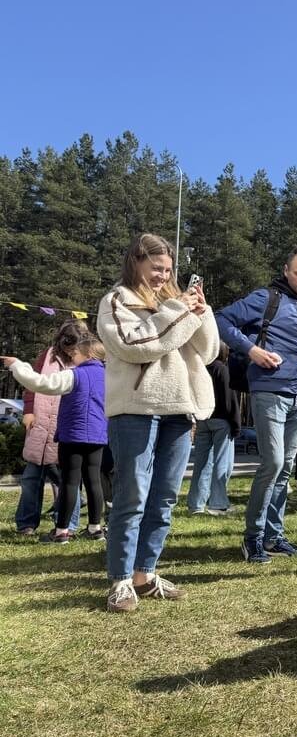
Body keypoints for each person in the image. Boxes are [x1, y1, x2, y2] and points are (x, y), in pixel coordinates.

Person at [97, 232, 219, 612]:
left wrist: (201, 312)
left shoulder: (175, 301)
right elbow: (135, 346)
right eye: (155, 268)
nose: (163, 276)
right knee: (131, 495)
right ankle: (119, 580)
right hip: (135, 407)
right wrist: (176, 312)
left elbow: (209, 351)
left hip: (180, 408)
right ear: (136, 262)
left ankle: (144, 574)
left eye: (168, 270)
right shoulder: (117, 301)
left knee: (164, 497)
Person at [217, 245, 297, 563]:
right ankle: (252, 538)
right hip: (269, 391)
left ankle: (274, 537)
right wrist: (251, 350)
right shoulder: (266, 298)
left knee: (286, 468)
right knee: (273, 464)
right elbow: (220, 319)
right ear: (285, 270)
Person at [3, 333, 107, 544]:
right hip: (98, 435)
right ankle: (95, 528)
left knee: (70, 482)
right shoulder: (109, 375)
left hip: (73, 435)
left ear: (87, 354)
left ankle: (61, 532)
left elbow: (41, 383)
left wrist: (17, 365)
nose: (72, 355)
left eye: (75, 353)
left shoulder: (72, 375)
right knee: (94, 480)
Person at [12, 320, 86, 536]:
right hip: (40, 426)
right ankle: (26, 523)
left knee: (68, 480)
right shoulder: (47, 356)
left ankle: (67, 525)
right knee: (30, 479)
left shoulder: (88, 360)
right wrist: (28, 411)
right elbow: (31, 385)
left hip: (67, 429)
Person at [187, 343, 240, 516]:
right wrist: (236, 423)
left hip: (203, 419)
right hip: (221, 420)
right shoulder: (221, 369)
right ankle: (218, 503)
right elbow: (229, 398)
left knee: (201, 464)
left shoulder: (200, 369)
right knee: (222, 463)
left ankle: (196, 504)